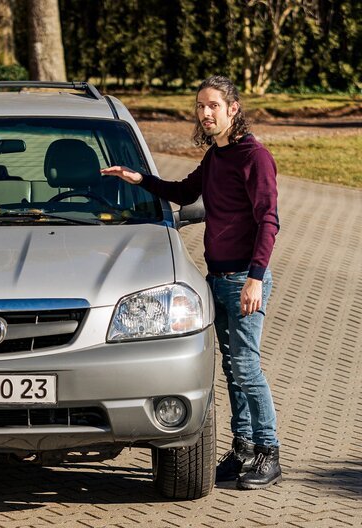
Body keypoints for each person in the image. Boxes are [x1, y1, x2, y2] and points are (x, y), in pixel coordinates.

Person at [101, 75, 282, 490]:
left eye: (213, 106)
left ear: (233, 109)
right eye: (200, 106)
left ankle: (269, 452)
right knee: (233, 369)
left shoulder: (254, 157)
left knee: (247, 367)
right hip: (218, 278)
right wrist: (139, 179)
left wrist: (255, 279)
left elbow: (268, 220)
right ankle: (243, 450)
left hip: (243, 279)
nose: (205, 114)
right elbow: (185, 193)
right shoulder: (217, 157)